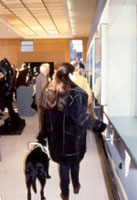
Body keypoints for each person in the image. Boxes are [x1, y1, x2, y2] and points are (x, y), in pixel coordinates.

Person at [37, 63, 107, 200]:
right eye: (74, 73)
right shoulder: (76, 94)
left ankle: (65, 194)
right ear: (69, 75)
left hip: (57, 140)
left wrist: (43, 135)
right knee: (75, 162)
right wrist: (101, 127)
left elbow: (45, 118)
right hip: (73, 140)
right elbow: (81, 118)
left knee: (63, 166)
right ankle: (76, 185)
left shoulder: (50, 92)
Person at [35, 63, 50, 132]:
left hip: (39, 99)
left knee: (41, 116)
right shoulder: (43, 77)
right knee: (42, 117)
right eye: (48, 69)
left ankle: (42, 130)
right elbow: (45, 90)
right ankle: (42, 132)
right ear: (46, 70)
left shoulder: (40, 76)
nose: (49, 70)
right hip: (42, 100)